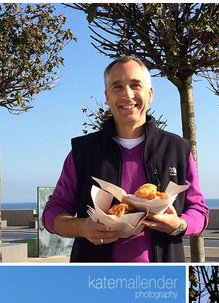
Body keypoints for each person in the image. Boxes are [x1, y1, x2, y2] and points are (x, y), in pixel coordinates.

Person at [42, 57, 208, 262]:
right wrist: (83, 228)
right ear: (107, 97)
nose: (127, 95)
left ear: (150, 93)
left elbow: (199, 211)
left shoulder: (177, 149)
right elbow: (52, 213)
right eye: (117, 87)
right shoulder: (83, 151)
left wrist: (179, 225)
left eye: (135, 85)